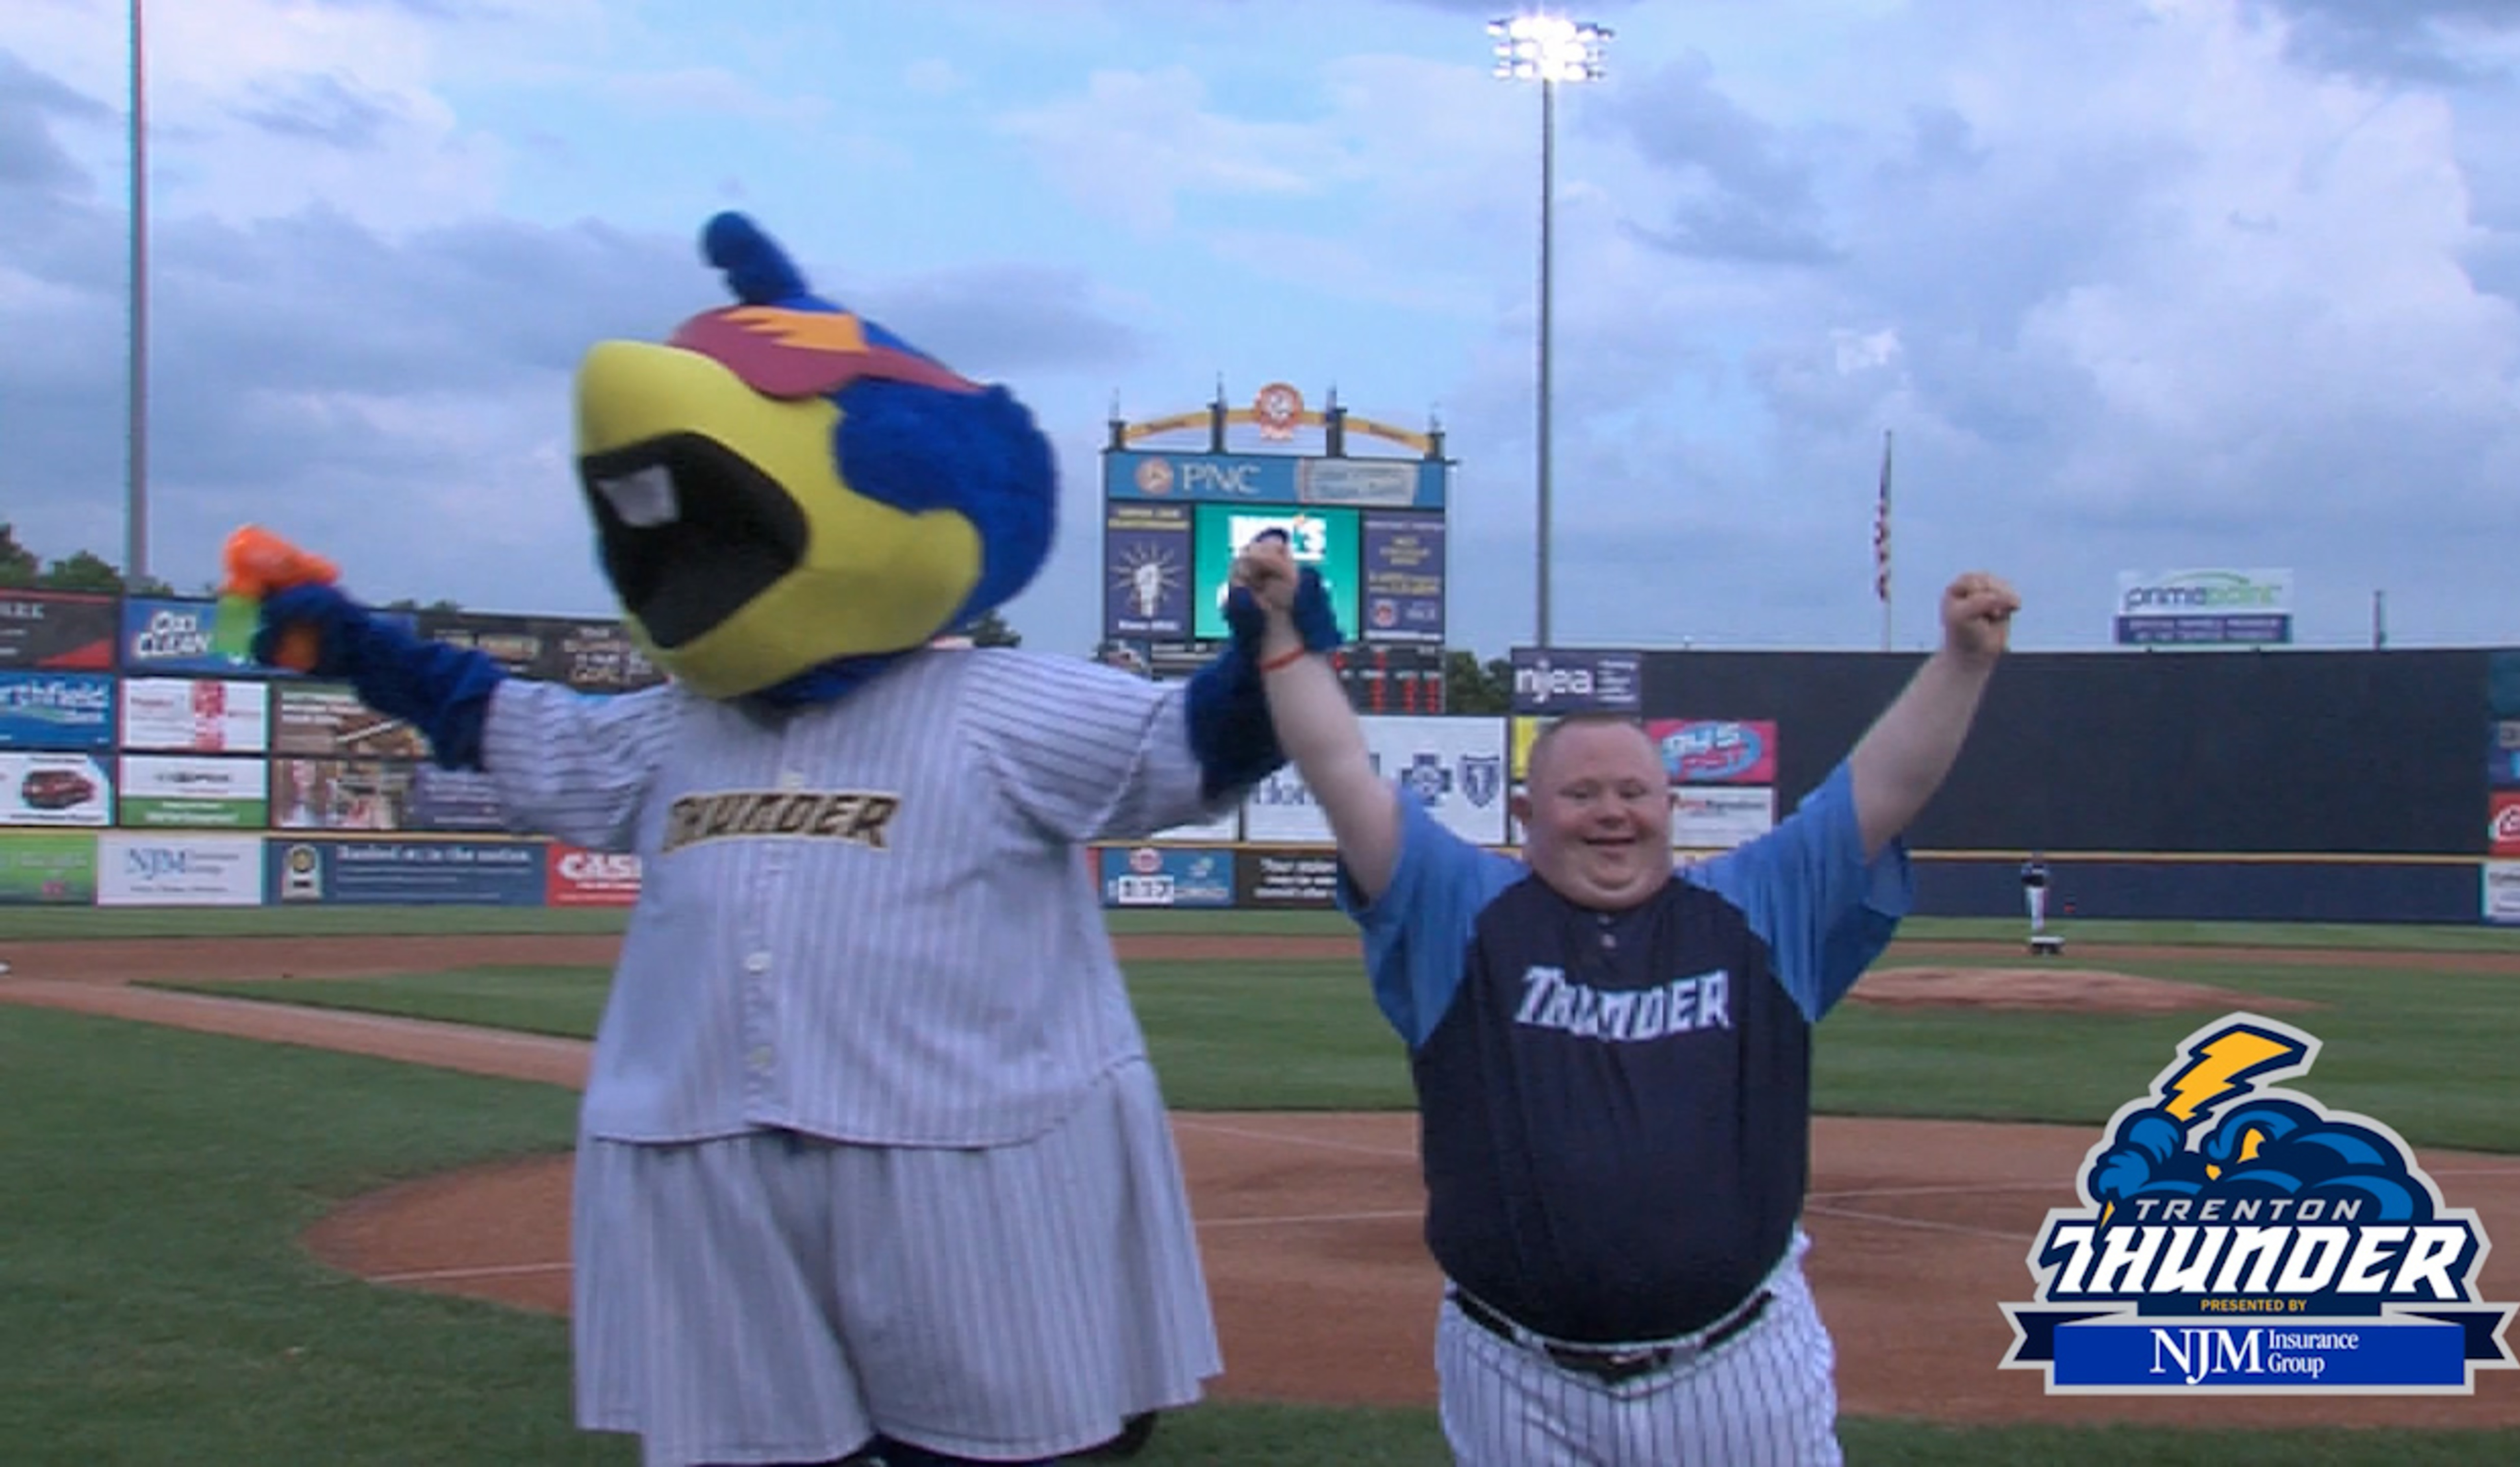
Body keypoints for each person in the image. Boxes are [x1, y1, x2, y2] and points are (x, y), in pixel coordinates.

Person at [249, 213, 1294, 1467]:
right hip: (713, 1171)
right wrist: (355, 643)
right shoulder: (671, 733)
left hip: (967, 1176)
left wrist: (1271, 650)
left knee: (1008, 1445)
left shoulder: (1001, 708)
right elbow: (506, 723)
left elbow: (1190, 750)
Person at [1232, 534, 2018, 1466]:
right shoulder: (1462, 913)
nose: (1613, 810)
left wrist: (1963, 660)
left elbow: (1884, 783)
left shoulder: (1757, 908)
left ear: (1671, 806)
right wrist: (1282, 631)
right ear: (1525, 818)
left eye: (1635, 790)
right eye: (1582, 792)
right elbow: (1338, 770)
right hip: (1513, 1379)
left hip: (1737, 1372)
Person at [2020, 850, 2051, 937]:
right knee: (2034, 908)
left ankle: (2041, 927)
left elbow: (2047, 878)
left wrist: (2047, 887)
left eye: (2040, 857)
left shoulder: (2044, 867)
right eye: (2037, 857)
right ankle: (2035, 927)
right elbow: (2024, 877)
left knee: (2041, 908)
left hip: (2041, 889)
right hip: (2032, 888)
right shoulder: (2029, 866)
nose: (2038, 858)